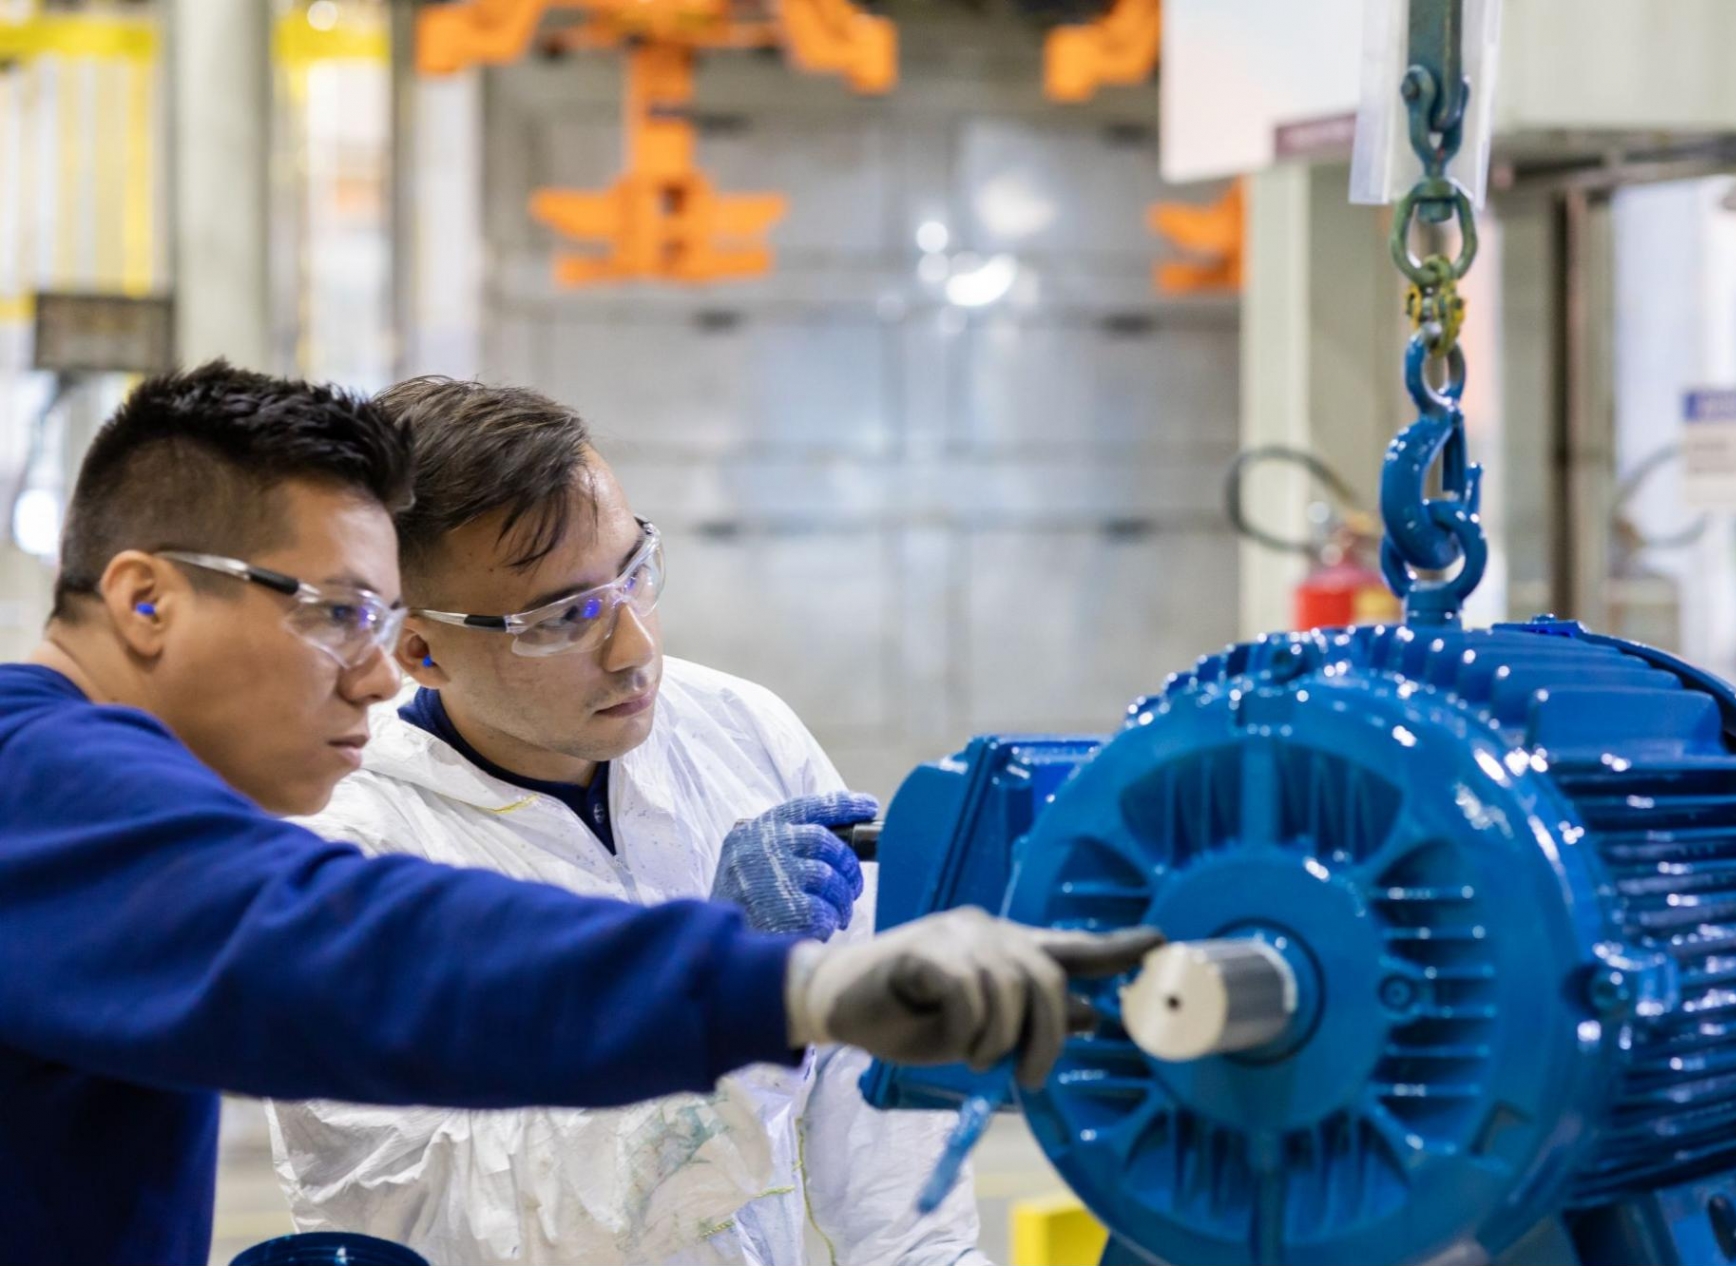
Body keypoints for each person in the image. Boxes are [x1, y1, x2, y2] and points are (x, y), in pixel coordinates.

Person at [0, 362, 1161, 1266]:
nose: (367, 675)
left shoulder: (736, 730)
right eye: (339, 615)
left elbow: (872, 1121)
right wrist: (770, 986)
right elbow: (376, 955)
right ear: (145, 597)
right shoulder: (56, 796)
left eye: (634, 572)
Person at [264, 378, 984, 1265]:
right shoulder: (348, 863)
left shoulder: (737, 729)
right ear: (420, 647)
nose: (636, 647)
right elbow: (447, 1224)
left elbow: (867, 1074)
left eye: (634, 574)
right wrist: (722, 997)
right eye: (566, 618)